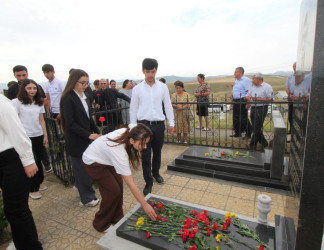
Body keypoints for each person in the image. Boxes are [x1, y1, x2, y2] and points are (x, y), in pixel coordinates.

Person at [82, 124, 156, 232]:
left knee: (119, 186)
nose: (145, 147)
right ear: (132, 141)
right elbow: (131, 184)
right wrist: (145, 205)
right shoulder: (120, 152)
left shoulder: (132, 130)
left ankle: (117, 217)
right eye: (143, 144)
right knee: (112, 191)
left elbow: (136, 124)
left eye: (146, 144)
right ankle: (100, 223)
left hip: (106, 158)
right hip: (93, 161)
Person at [0, 94, 43, 249]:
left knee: (17, 209)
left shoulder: (1, 103)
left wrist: (28, 160)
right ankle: (20, 242)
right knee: (12, 208)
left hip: (12, 158)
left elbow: (17, 132)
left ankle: (30, 246)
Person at [129, 58, 175, 195]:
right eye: (147, 72)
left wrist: (171, 122)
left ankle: (156, 174)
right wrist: (132, 126)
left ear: (156, 70)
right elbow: (133, 108)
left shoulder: (163, 87)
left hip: (159, 125)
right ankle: (148, 182)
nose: (150, 75)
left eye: (153, 72)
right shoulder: (137, 89)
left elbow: (167, 105)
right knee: (145, 154)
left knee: (158, 152)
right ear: (143, 71)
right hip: (143, 126)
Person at [60, 69, 101, 206]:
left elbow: (89, 118)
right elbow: (71, 123)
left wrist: (97, 131)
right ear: (73, 81)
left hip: (86, 138)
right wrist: (89, 134)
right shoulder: (68, 98)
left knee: (84, 167)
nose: (85, 86)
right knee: (82, 169)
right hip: (77, 140)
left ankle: (79, 185)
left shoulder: (84, 97)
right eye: (82, 83)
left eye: (87, 83)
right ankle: (87, 198)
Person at [12, 79, 48, 199]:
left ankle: (38, 181)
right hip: (25, 137)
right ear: (24, 89)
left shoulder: (38, 102)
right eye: (29, 88)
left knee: (39, 159)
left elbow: (41, 120)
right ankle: (32, 188)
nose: (32, 90)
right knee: (32, 161)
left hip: (38, 134)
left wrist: (45, 134)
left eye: (34, 88)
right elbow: (14, 120)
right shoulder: (17, 102)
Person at [245, 73, 273, 150]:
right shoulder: (253, 87)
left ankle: (252, 145)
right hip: (253, 108)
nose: (252, 80)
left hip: (262, 108)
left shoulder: (267, 87)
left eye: (253, 78)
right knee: (254, 127)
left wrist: (258, 99)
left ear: (259, 79)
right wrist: (247, 98)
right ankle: (264, 142)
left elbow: (270, 99)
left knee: (257, 126)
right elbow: (247, 95)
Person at [231, 67, 252, 138]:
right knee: (236, 117)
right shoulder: (236, 80)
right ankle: (238, 132)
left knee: (243, 117)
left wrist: (248, 102)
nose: (234, 73)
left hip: (242, 100)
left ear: (240, 72)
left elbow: (248, 91)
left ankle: (248, 133)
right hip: (236, 100)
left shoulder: (246, 80)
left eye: (236, 72)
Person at [285, 62, 296, 133]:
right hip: (291, 96)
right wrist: (289, 94)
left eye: (295, 66)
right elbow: (286, 87)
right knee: (290, 115)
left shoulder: (304, 77)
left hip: (299, 97)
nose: (294, 67)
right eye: (293, 66)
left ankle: (296, 130)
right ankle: (291, 129)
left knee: (298, 115)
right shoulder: (290, 77)